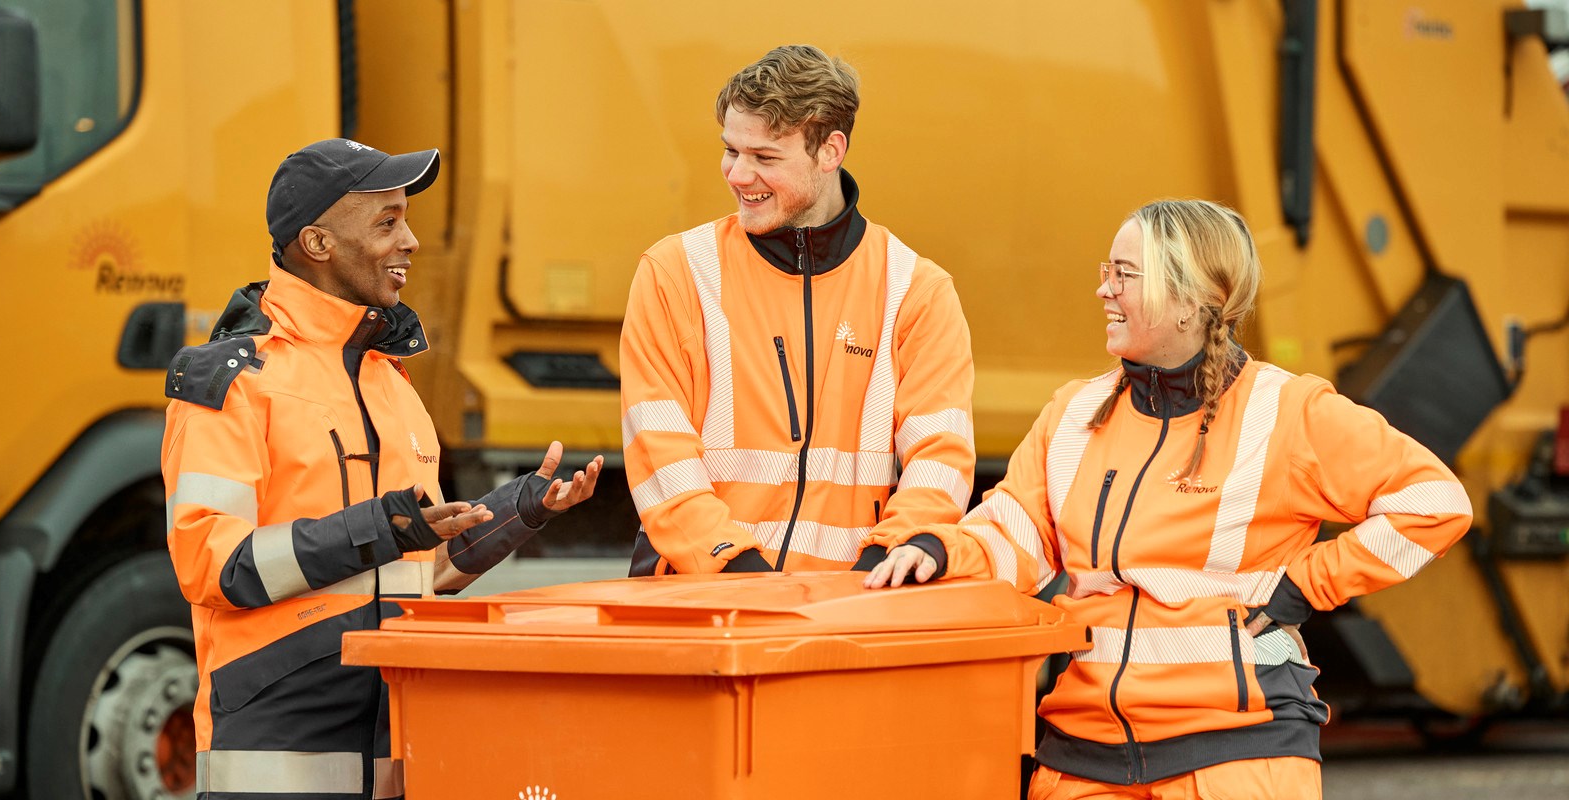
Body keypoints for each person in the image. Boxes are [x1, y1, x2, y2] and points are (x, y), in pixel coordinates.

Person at [864, 199, 1472, 798]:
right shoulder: (1072, 414)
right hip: (1084, 752)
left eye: (1124, 275)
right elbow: (1011, 533)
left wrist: (1308, 584)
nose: (1104, 290)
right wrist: (936, 549)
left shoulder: (1287, 412)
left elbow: (1436, 501)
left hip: (1237, 748)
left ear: (1189, 300)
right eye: (1107, 271)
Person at [162, 138, 602, 800]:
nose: (412, 241)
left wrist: (520, 511)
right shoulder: (233, 380)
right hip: (278, 745)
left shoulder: (392, 382)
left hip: (392, 735)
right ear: (318, 242)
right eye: (387, 222)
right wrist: (385, 526)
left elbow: (422, 569)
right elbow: (213, 564)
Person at [620, 45, 976, 575]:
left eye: (764, 158)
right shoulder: (676, 271)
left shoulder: (917, 291)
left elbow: (941, 458)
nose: (739, 175)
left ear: (830, 151)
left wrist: (890, 558)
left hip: (848, 611)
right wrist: (735, 570)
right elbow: (659, 453)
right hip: (698, 604)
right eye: (731, 151)